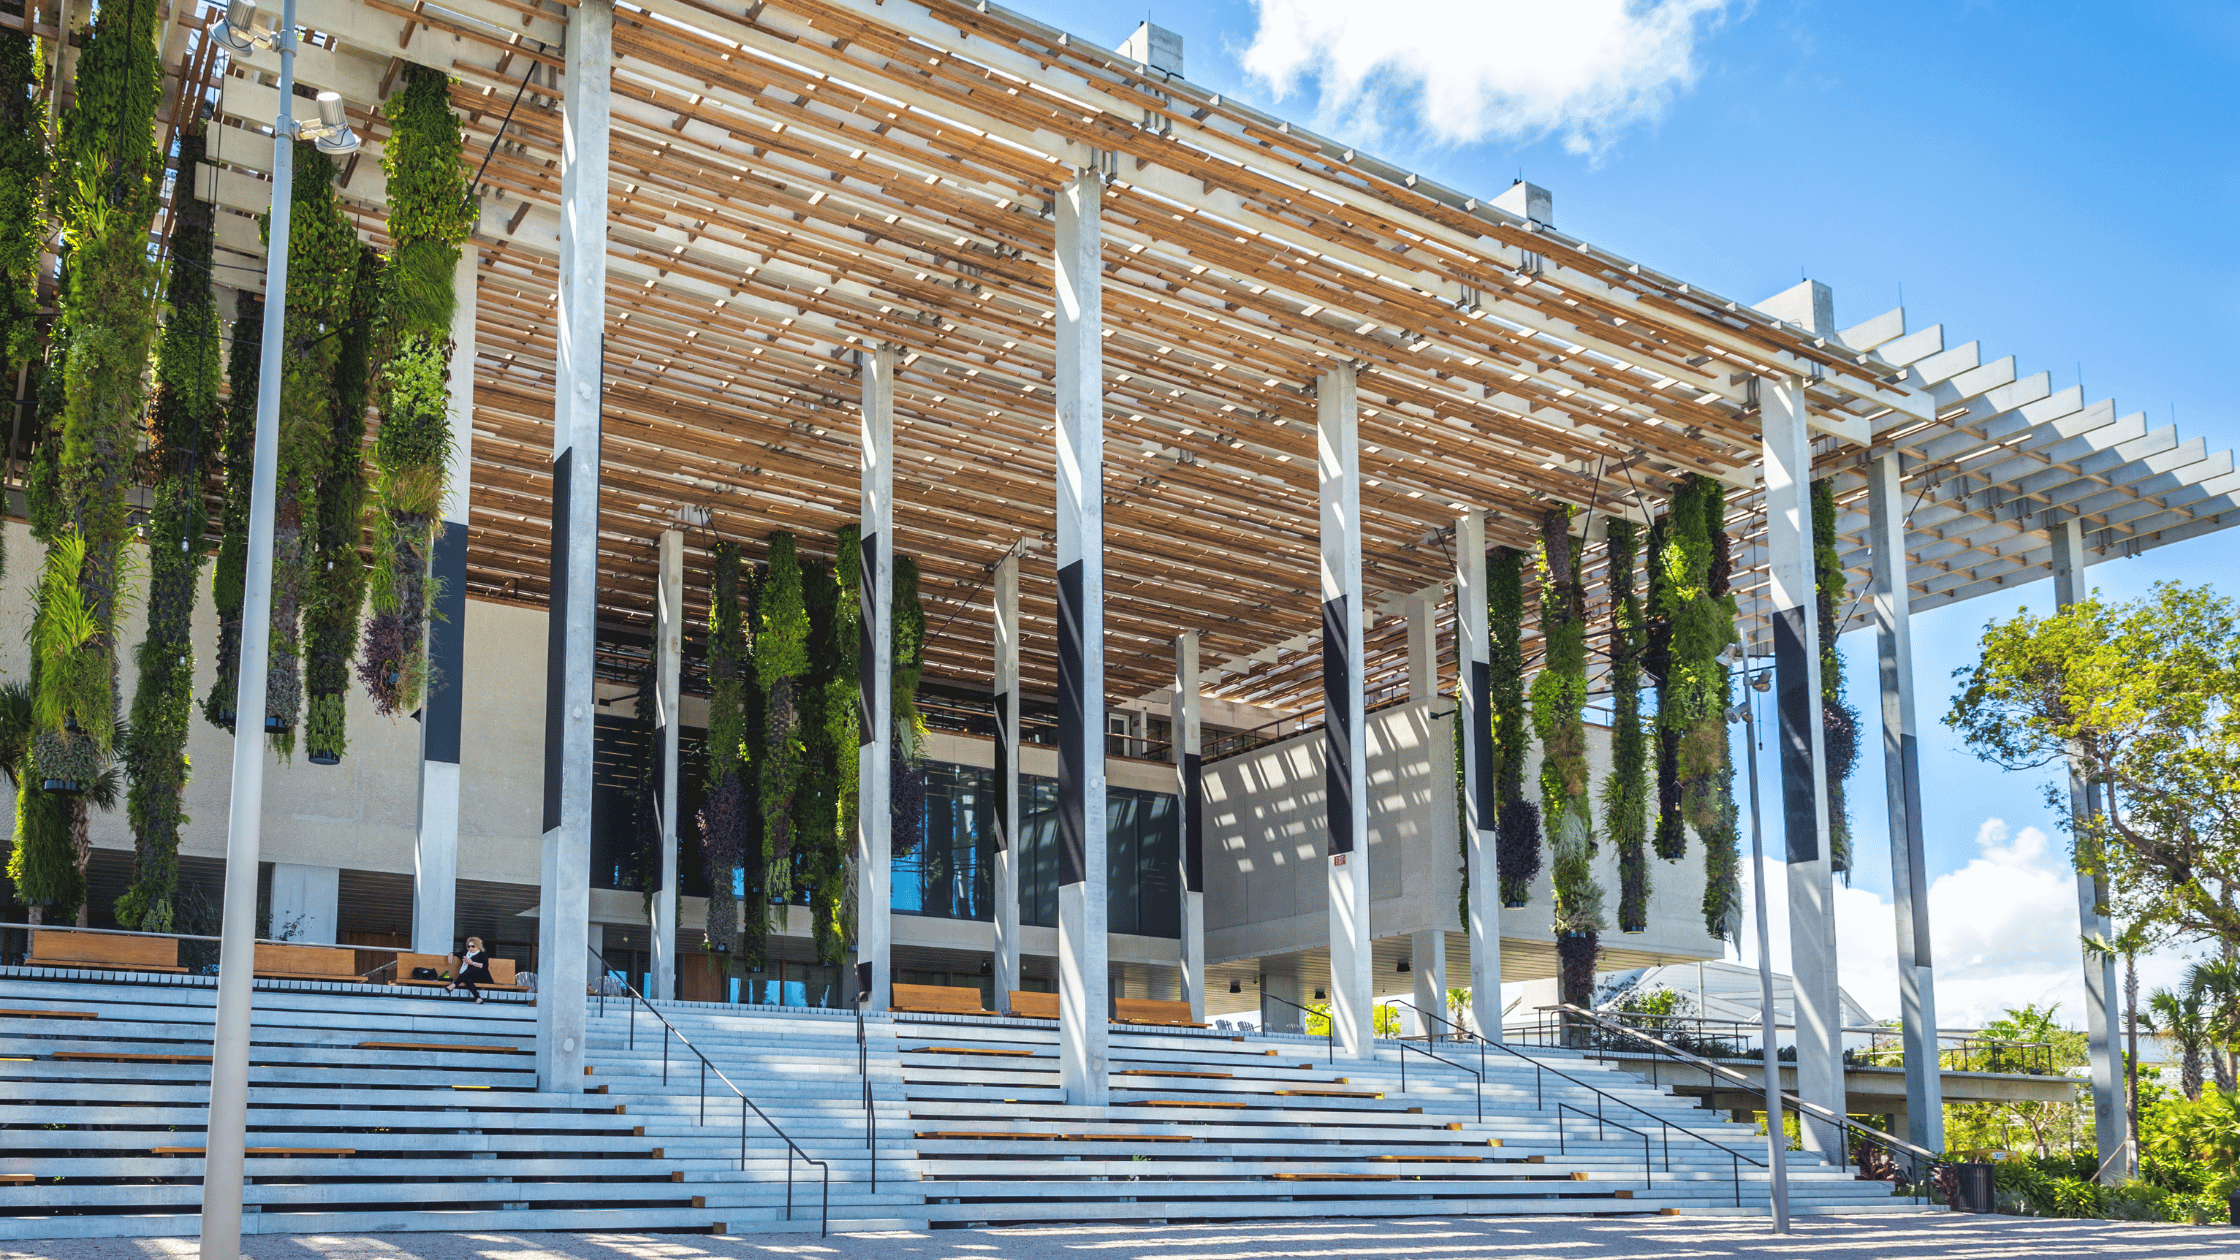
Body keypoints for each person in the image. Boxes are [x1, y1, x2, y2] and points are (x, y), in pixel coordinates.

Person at [446, 936, 494, 1004]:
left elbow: (485, 967)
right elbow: (454, 953)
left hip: (482, 977)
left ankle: (454, 984)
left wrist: (472, 963)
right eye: (469, 946)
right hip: (470, 977)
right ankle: (478, 998)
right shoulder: (465, 953)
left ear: (478, 946)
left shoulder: (482, 954)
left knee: (472, 968)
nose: (470, 948)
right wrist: (450, 954)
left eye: (473, 946)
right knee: (468, 979)